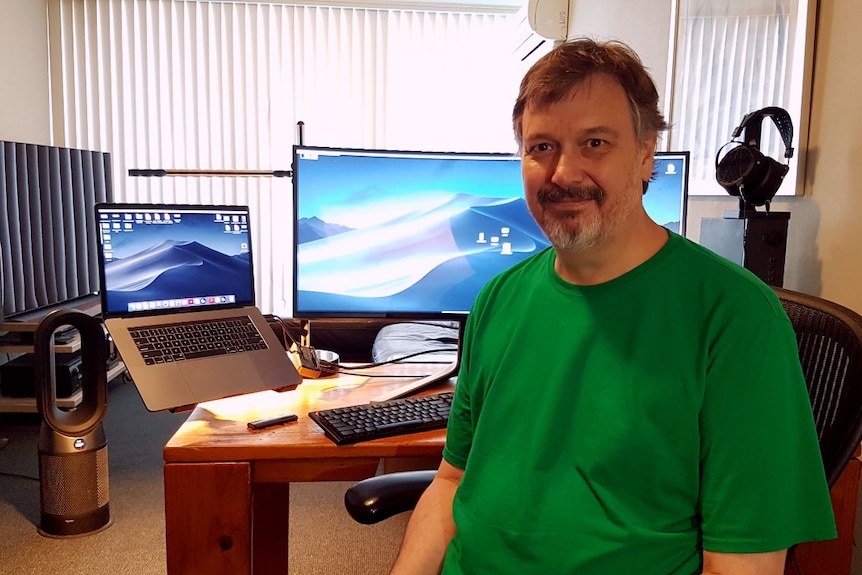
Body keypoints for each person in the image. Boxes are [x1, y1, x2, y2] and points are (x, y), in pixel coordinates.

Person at [388, 38, 836, 575]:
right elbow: (452, 482)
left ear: (646, 154)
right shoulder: (498, 299)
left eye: (595, 142)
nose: (563, 174)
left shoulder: (736, 318)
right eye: (542, 147)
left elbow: (741, 565)